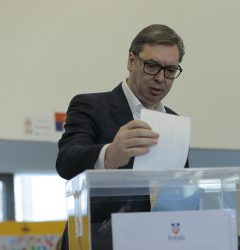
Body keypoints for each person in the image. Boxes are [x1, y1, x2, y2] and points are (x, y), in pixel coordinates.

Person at [56, 24, 188, 250]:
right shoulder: (90, 105)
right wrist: (108, 155)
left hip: (155, 241)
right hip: (97, 240)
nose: (160, 78)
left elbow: (180, 189)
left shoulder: (175, 122)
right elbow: (66, 162)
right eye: (152, 66)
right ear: (131, 61)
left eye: (170, 70)